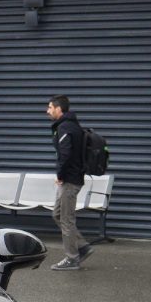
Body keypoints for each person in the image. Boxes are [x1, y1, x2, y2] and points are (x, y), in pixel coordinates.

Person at [45, 95, 92, 271]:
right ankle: (82, 246)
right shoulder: (71, 125)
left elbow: (65, 153)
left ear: (59, 109)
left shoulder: (65, 127)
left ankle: (72, 258)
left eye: (50, 107)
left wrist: (60, 175)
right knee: (57, 215)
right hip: (72, 178)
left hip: (70, 180)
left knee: (66, 219)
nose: (47, 111)